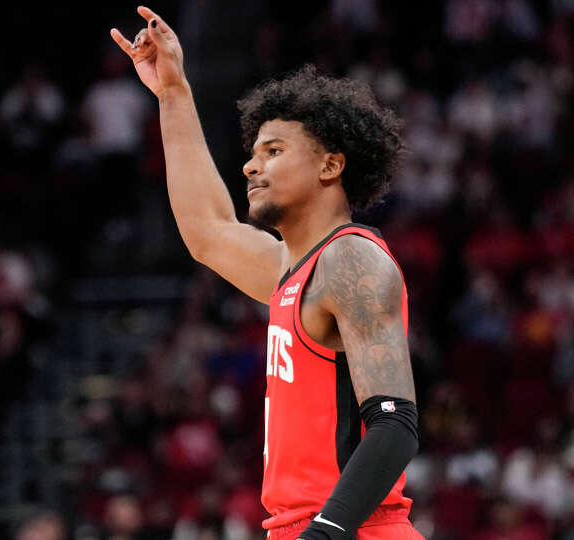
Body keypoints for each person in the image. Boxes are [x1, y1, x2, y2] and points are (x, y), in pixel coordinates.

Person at [110, 7, 422, 540]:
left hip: (353, 530)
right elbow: (207, 230)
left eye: (274, 151)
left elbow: (395, 426)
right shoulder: (290, 270)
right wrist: (172, 93)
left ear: (330, 166)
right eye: (253, 153)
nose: (251, 165)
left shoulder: (351, 260)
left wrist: (324, 532)